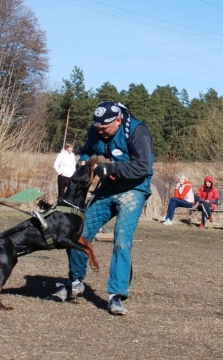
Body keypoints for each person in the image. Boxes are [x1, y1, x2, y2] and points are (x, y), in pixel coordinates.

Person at [53, 101, 154, 316]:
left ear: (118, 120)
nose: (100, 131)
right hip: (107, 188)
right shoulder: (96, 130)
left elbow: (144, 165)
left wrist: (112, 167)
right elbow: (88, 151)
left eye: (104, 128)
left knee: (121, 238)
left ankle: (116, 295)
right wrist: (84, 162)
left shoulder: (137, 131)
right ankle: (76, 280)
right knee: (78, 232)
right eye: (97, 127)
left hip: (133, 190)